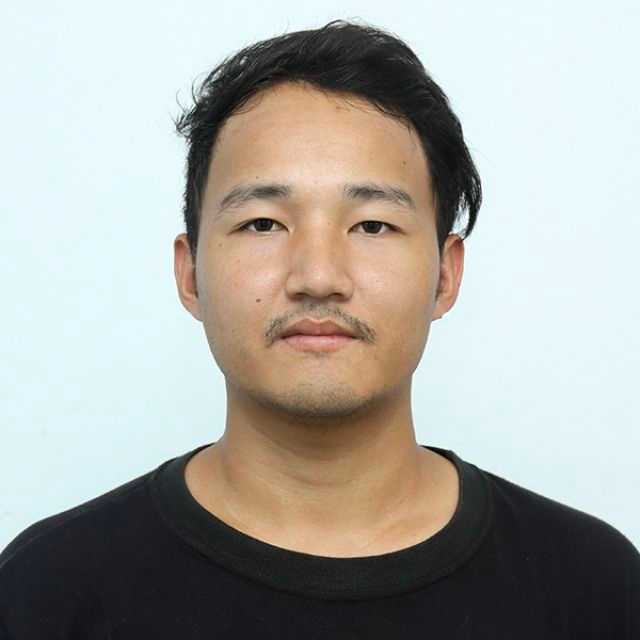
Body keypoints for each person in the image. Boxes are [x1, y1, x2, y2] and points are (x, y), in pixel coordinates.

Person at [1, 18, 638, 639]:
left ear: (445, 275)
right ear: (190, 273)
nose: (318, 276)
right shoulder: (46, 591)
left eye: (372, 225)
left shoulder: (595, 589)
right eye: (263, 224)